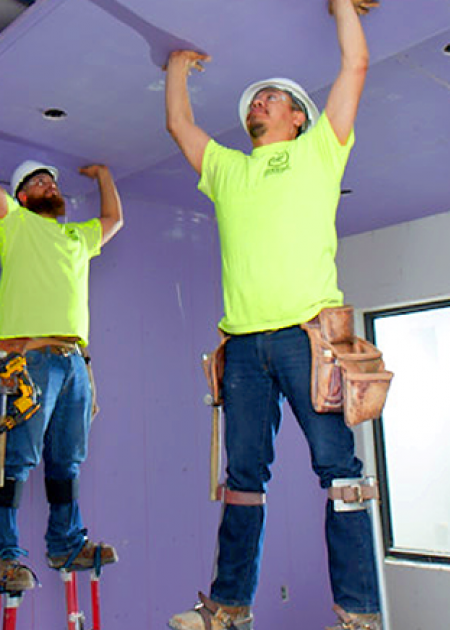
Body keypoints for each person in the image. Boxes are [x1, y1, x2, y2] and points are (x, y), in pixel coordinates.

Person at [162, 0, 381, 628]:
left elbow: (356, 65)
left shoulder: (320, 152)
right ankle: (229, 607)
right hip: (243, 347)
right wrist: (177, 66)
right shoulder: (228, 170)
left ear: (298, 116)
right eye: (254, 101)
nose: (258, 103)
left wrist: (341, 7)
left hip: (308, 340)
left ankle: (360, 613)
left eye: (271, 98)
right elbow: (179, 125)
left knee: (340, 472)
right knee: (242, 478)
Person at [0, 122, 123, 592]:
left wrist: (104, 175)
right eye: (39, 182)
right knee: (15, 458)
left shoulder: (77, 237)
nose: (50, 186)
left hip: (75, 363)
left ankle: (66, 543)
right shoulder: (13, 225)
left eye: (53, 183)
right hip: (31, 360)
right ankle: (1, 558)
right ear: (21, 196)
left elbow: (113, 220)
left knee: (68, 460)